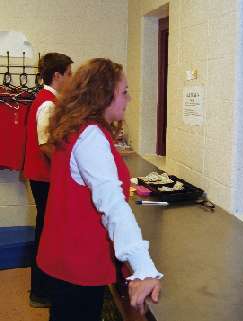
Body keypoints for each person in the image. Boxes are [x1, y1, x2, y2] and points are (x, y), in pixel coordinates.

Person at [36, 58, 162, 321]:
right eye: (124, 92)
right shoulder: (90, 136)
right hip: (79, 260)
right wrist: (144, 269)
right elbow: (113, 205)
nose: (129, 99)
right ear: (104, 96)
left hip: (65, 253)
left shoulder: (76, 128)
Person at [23, 53, 73, 307]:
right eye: (69, 74)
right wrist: (69, 167)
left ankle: (43, 289)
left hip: (44, 177)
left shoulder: (50, 101)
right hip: (45, 178)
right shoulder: (48, 104)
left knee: (47, 232)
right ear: (57, 75)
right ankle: (40, 292)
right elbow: (45, 145)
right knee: (46, 234)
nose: (71, 78)